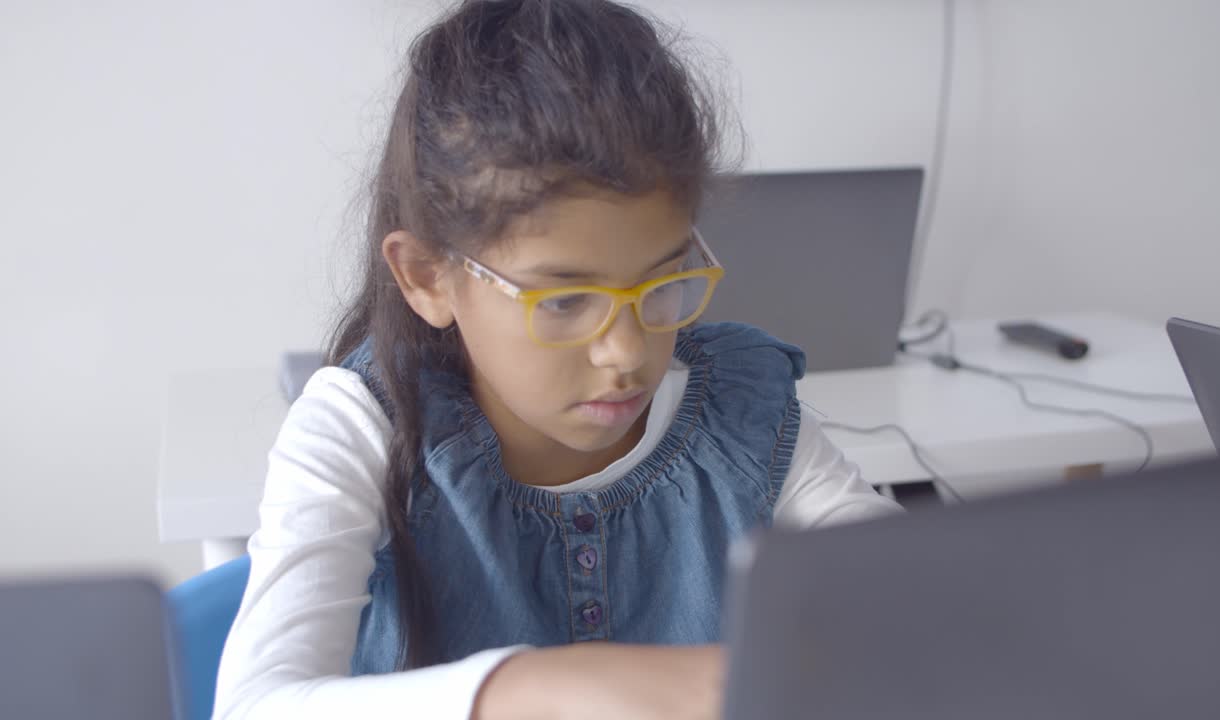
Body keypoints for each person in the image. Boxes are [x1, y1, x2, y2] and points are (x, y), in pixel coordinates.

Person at [213, 1, 900, 718]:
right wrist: (547, 687)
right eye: (566, 301)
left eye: (663, 283)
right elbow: (256, 705)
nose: (627, 352)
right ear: (426, 276)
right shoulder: (360, 428)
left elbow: (925, 597)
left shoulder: (740, 414)